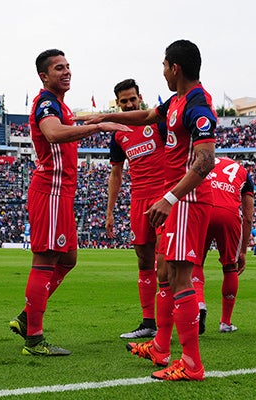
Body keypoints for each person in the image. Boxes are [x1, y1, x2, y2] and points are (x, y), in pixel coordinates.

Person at [77, 39, 216, 381]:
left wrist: (170, 198)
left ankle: (192, 364)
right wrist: (107, 117)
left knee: (180, 277)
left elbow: (207, 159)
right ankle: (161, 348)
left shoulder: (197, 104)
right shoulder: (176, 102)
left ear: (175, 68)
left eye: (164, 67)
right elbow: (146, 115)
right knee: (167, 276)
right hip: (173, 199)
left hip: (185, 200)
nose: (163, 73)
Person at [8, 49, 129, 356]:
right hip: (49, 190)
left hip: (62, 193)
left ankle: (27, 316)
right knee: (46, 260)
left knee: (69, 259)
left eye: (68, 66)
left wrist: (99, 118)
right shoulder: (47, 103)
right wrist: (98, 127)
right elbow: (52, 133)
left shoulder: (59, 103)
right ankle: (34, 339)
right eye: (58, 68)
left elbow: (68, 124)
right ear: (44, 76)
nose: (66, 71)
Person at [106, 78, 166, 339]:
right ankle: (148, 323)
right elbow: (116, 173)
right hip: (138, 200)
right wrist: (109, 211)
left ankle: (172, 320)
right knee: (144, 260)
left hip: (165, 197)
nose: (129, 104)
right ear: (118, 104)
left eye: (133, 99)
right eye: (124, 101)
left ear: (140, 97)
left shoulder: (158, 122)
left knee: (166, 262)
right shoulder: (118, 134)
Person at [192, 157, 254, 334]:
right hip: (228, 214)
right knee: (230, 267)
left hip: (203, 209)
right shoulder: (243, 171)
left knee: (195, 263)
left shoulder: (203, 160)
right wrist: (242, 251)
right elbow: (248, 217)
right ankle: (225, 323)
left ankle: (199, 302)